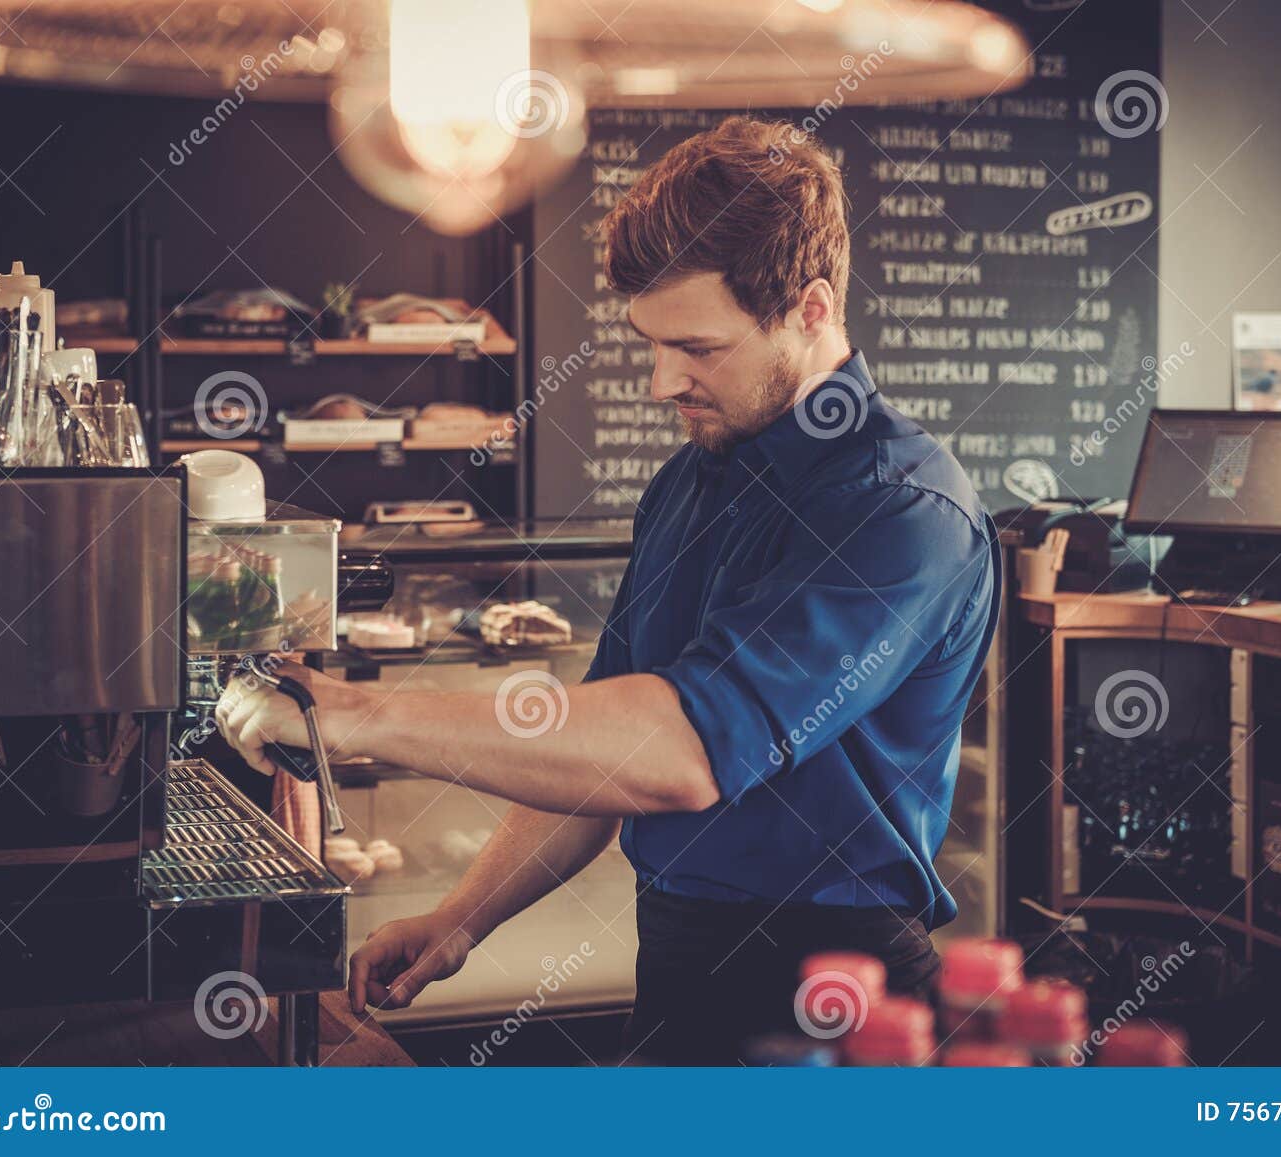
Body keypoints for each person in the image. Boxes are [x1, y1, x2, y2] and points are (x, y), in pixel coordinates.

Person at [216, 115, 1000, 1064]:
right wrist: (465, 916)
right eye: (651, 343)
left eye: (699, 347)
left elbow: (678, 751)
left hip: (835, 989)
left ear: (811, 308)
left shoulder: (900, 511)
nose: (664, 379)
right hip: (675, 960)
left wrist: (356, 717)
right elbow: (597, 755)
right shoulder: (689, 480)